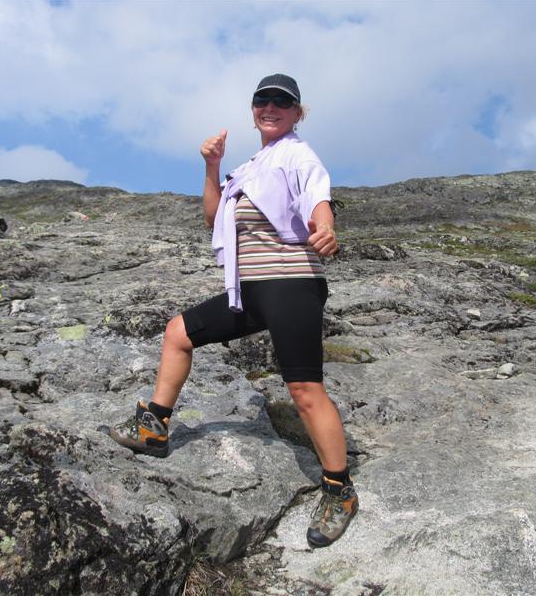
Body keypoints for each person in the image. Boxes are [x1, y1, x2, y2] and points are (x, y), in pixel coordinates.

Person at [104, 73, 358, 548]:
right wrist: (212, 167)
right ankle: (153, 426)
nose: (270, 107)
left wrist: (325, 227)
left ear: (297, 113)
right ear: (253, 109)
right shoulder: (250, 167)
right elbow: (213, 218)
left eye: (282, 102)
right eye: (263, 100)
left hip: (292, 285)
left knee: (304, 390)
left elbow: (318, 199)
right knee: (178, 332)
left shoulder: (298, 156)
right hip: (250, 290)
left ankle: (339, 489)